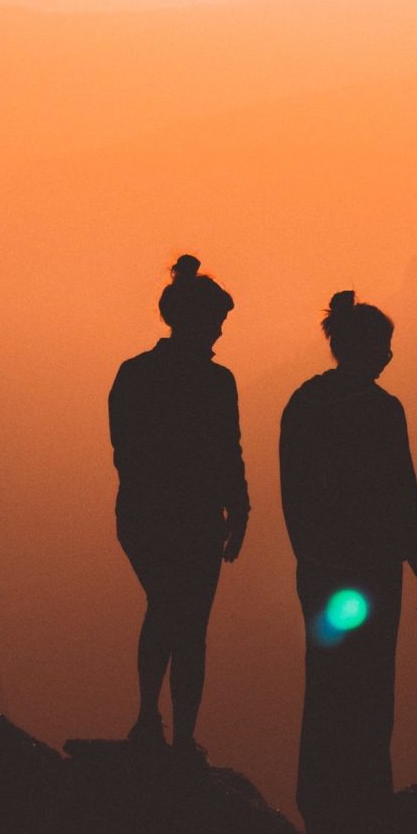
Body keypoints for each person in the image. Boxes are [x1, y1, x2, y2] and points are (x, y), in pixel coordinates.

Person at [279, 291, 417, 834]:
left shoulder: (304, 402)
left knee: (326, 679)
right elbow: (403, 493)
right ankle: (368, 793)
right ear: (366, 347)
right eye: (385, 345)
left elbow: (293, 489)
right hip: (373, 569)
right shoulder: (381, 409)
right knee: (371, 681)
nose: (390, 355)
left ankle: (320, 796)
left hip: (320, 568)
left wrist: (309, 553)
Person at [110, 254, 249, 762]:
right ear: (194, 320)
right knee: (188, 624)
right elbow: (228, 452)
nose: (220, 333)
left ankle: (151, 721)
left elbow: (125, 453)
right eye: (216, 322)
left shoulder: (134, 374)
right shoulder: (215, 382)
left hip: (145, 516)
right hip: (190, 519)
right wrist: (238, 510)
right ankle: (179, 736)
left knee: (166, 610)